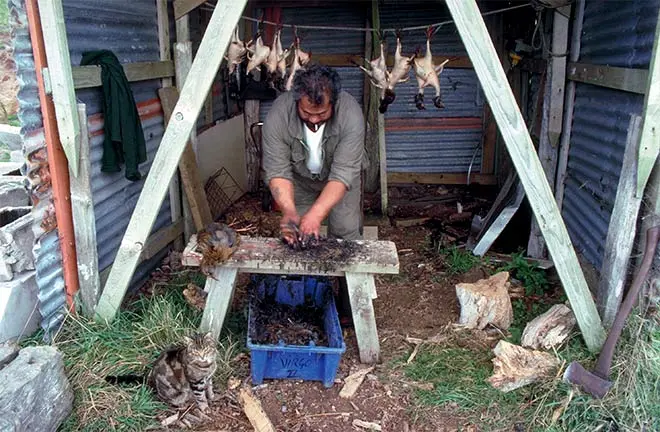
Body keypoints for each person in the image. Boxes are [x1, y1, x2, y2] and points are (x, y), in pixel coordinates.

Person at [261, 64, 366, 244]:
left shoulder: (351, 115)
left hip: (341, 180)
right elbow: (277, 170)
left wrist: (316, 214)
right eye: (306, 112)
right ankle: (299, 272)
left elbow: (343, 174)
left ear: (334, 102)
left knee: (345, 228)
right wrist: (288, 211)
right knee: (297, 231)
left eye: (322, 113)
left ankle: (343, 269)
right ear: (297, 101)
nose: (314, 119)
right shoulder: (279, 115)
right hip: (299, 179)